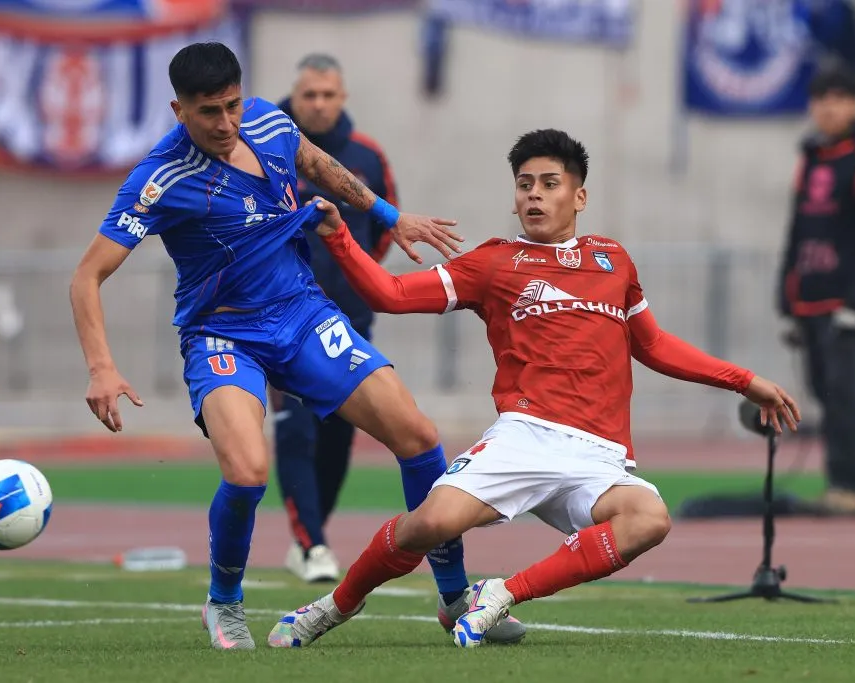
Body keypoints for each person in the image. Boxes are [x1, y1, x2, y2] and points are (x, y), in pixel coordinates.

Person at [68, 41, 525, 651]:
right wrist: (101, 367)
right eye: (209, 112)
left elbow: (317, 163)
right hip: (223, 333)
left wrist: (390, 215)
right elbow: (87, 276)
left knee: (418, 436)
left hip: (303, 313)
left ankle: (454, 596)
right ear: (179, 110)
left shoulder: (267, 120)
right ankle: (223, 602)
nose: (226, 123)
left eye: (232, 105)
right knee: (248, 471)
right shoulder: (158, 179)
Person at [267, 129, 801, 649]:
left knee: (649, 519)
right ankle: (334, 606)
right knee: (429, 523)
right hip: (525, 437)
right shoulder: (494, 262)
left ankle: (501, 594)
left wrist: (744, 381)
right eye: (525, 185)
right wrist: (339, 236)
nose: (535, 196)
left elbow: (654, 344)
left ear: (580, 197)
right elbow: (391, 294)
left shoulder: (613, 260)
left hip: (599, 455)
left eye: (549, 184)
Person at [271, 53, 399, 584]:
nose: (319, 104)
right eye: (310, 95)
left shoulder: (367, 156)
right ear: (295, 98)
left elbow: (384, 231)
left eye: (328, 95)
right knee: (297, 428)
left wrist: (357, 283)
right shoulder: (266, 147)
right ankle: (314, 545)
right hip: (282, 320)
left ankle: (310, 536)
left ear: (342, 98)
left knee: (339, 437)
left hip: (349, 322)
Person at [777, 64, 855, 517]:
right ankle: (837, 481)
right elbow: (798, 231)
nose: (829, 108)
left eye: (838, 99)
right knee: (822, 390)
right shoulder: (813, 156)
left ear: (854, 104)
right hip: (811, 297)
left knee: (844, 391)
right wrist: (787, 298)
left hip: (846, 300)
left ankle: (850, 484)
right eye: (821, 99)